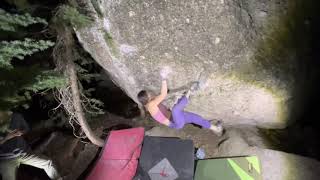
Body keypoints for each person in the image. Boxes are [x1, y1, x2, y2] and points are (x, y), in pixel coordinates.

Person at [137, 69, 223, 136]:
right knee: (175, 110)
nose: (151, 93)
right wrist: (163, 77)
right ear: (147, 98)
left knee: (196, 118)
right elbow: (163, 94)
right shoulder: (151, 106)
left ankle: (216, 129)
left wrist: (175, 96)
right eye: (149, 93)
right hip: (175, 122)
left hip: (176, 117)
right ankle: (190, 91)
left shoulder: (151, 102)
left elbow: (163, 94)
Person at [0, 111, 61, 180]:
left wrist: (22, 132)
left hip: (23, 151)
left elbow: (26, 128)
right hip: (7, 158)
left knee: (48, 163)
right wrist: (6, 138)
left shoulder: (16, 116)